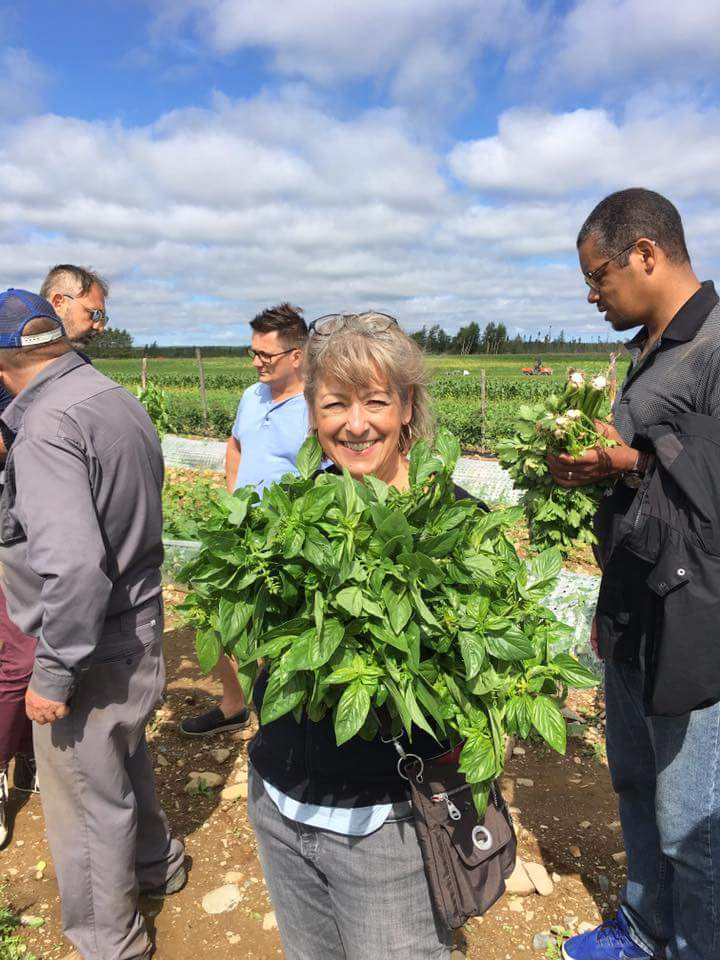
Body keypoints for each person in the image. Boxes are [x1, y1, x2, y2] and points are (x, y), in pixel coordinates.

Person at [246, 312, 457, 960]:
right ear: (313, 413)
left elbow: (459, 705)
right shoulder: (293, 512)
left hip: (385, 827)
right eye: (336, 403)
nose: (356, 422)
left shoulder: (449, 527)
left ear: (407, 408)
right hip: (280, 803)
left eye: (375, 400)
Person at [547, 189, 720, 960]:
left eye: (598, 277)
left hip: (693, 623)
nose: (592, 295)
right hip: (631, 607)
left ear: (646, 253)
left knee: (692, 825)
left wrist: (627, 460)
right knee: (634, 787)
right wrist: (602, 470)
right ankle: (646, 929)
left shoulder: (715, 346)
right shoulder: (648, 348)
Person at [0, 289, 185, 960]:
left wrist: (51, 672)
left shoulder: (46, 426)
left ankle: (111, 941)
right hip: (135, 621)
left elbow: (75, 568)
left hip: (85, 646)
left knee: (82, 797)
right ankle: (157, 865)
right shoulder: (112, 396)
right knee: (123, 760)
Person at [0, 264, 108, 847]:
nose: (97, 324)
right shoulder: (16, 369)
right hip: (18, 528)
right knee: (20, 657)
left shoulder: (74, 374)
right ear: (58, 302)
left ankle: (31, 759)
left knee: (37, 648)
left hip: (46, 523)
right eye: (92, 312)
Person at [181, 303, 310, 737]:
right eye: (252, 352)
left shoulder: (316, 407)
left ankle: (275, 718)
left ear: (296, 355)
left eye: (266, 355)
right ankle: (234, 703)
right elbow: (235, 444)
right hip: (242, 530)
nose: (256, 362)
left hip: (287, 536)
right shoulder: (251, 396)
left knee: (274, 624)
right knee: (216, 616)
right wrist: (233, 495)